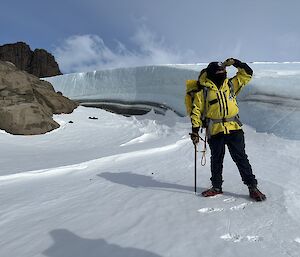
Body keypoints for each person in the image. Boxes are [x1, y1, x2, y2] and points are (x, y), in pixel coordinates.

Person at [190, 58, 266, 201]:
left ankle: (252, 187)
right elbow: (196, 111)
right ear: (211, 73)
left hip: (234, 128)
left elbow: (247, 74)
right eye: (219, 71)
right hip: (215, 130)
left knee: (241, 158)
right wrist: (195, 131)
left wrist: (236, 63)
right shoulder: (203, 92)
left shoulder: (231, 84)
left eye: (223, 70)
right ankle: (216, 187)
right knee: (216, 160)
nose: (222, 73)